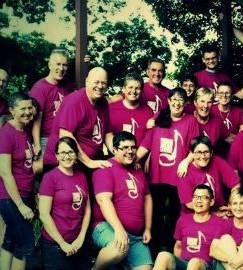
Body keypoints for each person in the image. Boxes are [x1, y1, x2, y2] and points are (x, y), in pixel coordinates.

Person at [137, 88, 200, 256]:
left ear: (186, 102)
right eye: (174, 99)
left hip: (177, 175)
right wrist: (131, 160)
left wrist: (186, 161)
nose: (177, 103)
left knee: (173, 212)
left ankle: (171, 249)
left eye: (181, 100)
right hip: (157, 175)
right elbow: (146, 144)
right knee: (156, 212)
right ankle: (153, 248)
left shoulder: (191, 121)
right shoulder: (160, 119)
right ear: (169, 101)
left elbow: (197, 147)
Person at [92, 131, 153, 270]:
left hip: (135, 237)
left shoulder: (137, 170)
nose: (130, 151)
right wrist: (118, 229)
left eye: (133, 147)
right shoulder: (106, 167)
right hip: (107, 227)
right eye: (124, 148)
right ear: (114, 150)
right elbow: (103, 200)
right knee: (118, 250)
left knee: (146, 268)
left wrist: (148, 228)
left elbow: (147, 198)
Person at [43, 67, 112, 170]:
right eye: (96, 82)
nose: (100, 86)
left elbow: (107, 133)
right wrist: (89, 162)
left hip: (91, 160)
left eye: (104, 83)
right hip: (65, 162)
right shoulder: (74, 101)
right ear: (87, 82)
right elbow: (66, 136)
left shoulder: (103, 102)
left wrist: (118, 152)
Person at [38, 137, 91, 270]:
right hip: (55, 244)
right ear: (56, 156)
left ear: (76, 155)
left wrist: (81, 238)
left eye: (70, 152)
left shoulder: (82, 176)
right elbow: (44, 214)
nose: (66, 156)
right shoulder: (50, 178)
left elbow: (87, 209)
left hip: (79, 243)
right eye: (62, 153)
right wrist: (62, 243)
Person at [0, 93, 37, 270]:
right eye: (22, 108)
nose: (27, 112)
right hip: (11, 198)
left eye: (29, 107)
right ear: (12, 110)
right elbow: (5, 172)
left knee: (11, 241)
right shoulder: (6, 133)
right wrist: (21, 205)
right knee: (25, 244)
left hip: (25, 193)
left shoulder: (25, 130)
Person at [153, 184, 228, 270]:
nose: (198, 200)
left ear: (211, 202)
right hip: (184, 264)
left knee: (194, 262)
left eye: (203, 197)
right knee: (163, 255)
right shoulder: (183, 220)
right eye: (196, 197)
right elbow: (178, 246)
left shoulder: (220, 223)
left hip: (205, 265)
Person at [177, 135, 239, 214]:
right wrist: (215, 214)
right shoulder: (184, 171)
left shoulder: (217, 161)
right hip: (195, 216)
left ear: (211, 152)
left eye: (206, 152)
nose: (203, 156)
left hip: (221, 211)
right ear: (192, 153)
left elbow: (235, 184)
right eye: (199, 152)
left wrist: (233, 204)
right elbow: (189, 204)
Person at [29, 49, 75, 156]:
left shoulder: (68, 86)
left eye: (64, 65)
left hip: (66, 138)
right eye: (58, 64)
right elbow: (36, 119)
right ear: (50, 65)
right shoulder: (39, 88)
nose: (61, 68)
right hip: (46, 139)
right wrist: (37, 144)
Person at [108, 73, 154, 147]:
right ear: (123, 89)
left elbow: (150, 140)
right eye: (130, 87)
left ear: (142, 91)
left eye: (137, 88)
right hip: (115, 156)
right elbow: (106, 136)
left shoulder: (149, 112)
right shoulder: (111, 109)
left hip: (139, 157)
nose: (133, 91)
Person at [210, 82, 243, 148]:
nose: (224, 96)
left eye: (227, 93)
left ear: (232, 95)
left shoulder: (239, 112)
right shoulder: (210, 110)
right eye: (221, 93)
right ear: (217, 95)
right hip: (214, 147)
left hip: (234, 147)